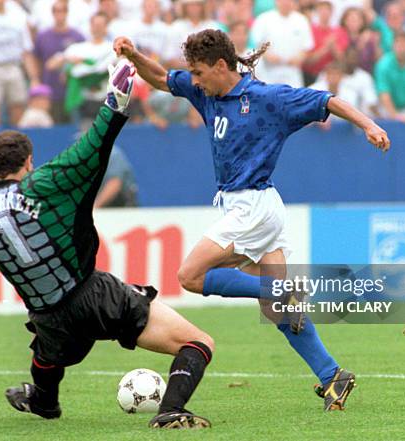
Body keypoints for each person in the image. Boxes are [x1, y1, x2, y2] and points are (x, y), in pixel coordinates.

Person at [0, 59, 214, 430]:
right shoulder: (49, 182)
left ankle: (44, 401)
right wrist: (117, 98)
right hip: (96, 295)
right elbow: (96, 143)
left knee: (46, 357)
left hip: (50, 319)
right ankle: (171, 410)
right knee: (197, 343)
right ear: (29, 161)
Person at [114, 29, 390, 411]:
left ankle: (276, 290)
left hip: (253, 207)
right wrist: (133, 55)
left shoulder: (268, 98)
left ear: (221, 66)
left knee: (190, 276)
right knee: (279, 311)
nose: (192, 80)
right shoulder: (204, 91)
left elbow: (329, 100)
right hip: (254, 208)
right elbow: (161, 78)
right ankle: (332, 377)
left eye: (197, 72)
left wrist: (369, 126)